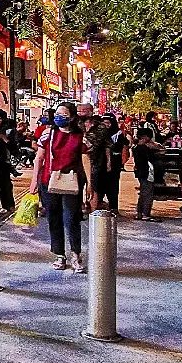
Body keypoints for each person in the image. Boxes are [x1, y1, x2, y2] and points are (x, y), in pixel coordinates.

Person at [30, 100, 85, 271]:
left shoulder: (80, 136)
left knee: (71, 219)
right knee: (54, 219)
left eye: (64, 115)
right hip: (49, 182)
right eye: (58, 114)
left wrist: (90, 184)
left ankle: (75, 254)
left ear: (73, 117)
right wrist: (34, 181)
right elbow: (39, 158)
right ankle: (59, 255)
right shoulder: (48, 134)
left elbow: (86, 160)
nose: (60, 117)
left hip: (71, 183)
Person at [97, 114, 130, 214]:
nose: (105, 125)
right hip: (100, 163)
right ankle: (98, 205)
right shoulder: (98, 133)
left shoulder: (118, 133)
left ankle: (113, 207)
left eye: (108, 123)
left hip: (114, 163)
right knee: (99, 184)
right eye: (103, 123)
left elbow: (123, 146)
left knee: (113, 185)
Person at [133, 126, 159, 221]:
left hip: (140, 172)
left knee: (143, 192)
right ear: (145, 137)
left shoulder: (136, 147)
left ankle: (139, 213)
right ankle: (145, 213)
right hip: (147, 172)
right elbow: (155, 156)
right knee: (148, 193)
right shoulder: (145, 149)